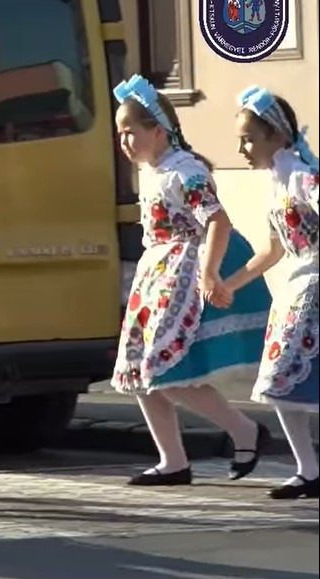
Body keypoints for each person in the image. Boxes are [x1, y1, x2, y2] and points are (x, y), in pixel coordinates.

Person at [110, 75, 271, 487]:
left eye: (131, 132)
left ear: (158, 130)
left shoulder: (185, 171)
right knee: (138, 372)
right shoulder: (152, 170)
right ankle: (173, 461)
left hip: (181, 273)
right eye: (120, 134)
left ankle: (243, 431)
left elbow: (217, 220)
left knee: (166, 371)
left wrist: (209, 272)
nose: (125, 142)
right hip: (156, 275)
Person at [221, 85, 318, 499]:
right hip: (294, 288)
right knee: (281, 383)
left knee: (284, 376)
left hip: (314, 286)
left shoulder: (302, 177)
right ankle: (308, 470)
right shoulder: (277, 184)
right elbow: (273, 249)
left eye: (248, 139)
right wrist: (230, 284)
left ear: (276, 135)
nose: (242, 148)